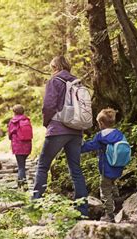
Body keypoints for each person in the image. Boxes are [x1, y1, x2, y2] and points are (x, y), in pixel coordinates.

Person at [32, 55, 89, 217]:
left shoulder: (54, 81)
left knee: (43, 166)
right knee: (76, 170)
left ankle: (35, 207)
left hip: (58, 129)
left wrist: (46, 123)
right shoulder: (78, 82)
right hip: (76, 130)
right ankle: (82, 210)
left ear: (55, 67)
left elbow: (48, 106)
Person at [81, 108, 125, 222]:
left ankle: (109, 214)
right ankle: (118, 200)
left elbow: (90, 146)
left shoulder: (100, 136)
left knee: (105, 190)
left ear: (101, 123)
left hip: (106, 169)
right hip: (118, 168)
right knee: (112, 183)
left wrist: (78, 147)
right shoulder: (119, 134)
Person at [7, 104, 32, 188]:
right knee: (22, 165)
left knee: (21, 167)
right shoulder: (27, 120)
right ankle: (19, 184)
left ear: (14, 112)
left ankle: (24, 186)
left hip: (18, 146)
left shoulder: (12, 121)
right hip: (27, 146)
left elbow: (10, 135)